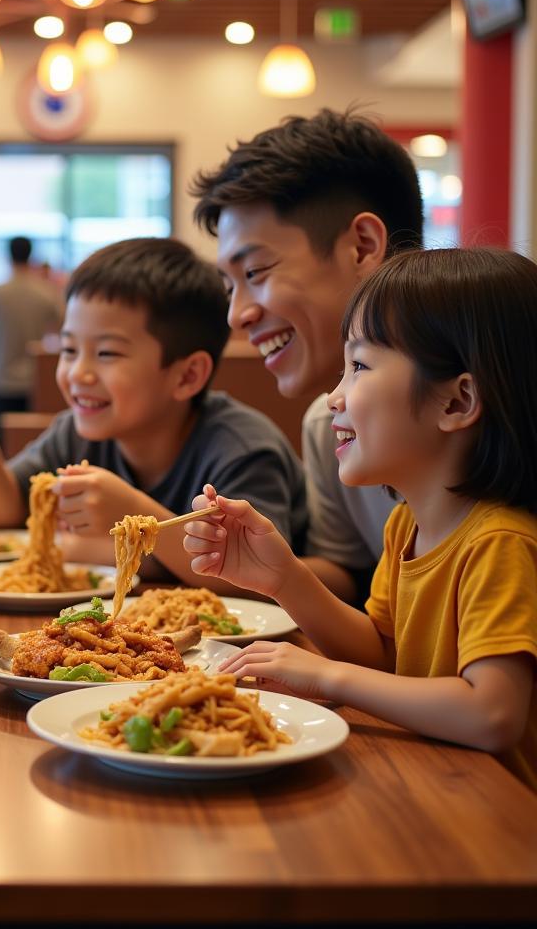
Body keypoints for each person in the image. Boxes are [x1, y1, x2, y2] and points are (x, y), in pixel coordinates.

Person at [184, 249, 537, 789]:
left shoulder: (500, 541)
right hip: (434, 785)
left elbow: (491, 714)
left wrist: (329, 676)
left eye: (361, 367)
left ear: (456, 401)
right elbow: (383, 653)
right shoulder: (405, 527)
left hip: (499, 824)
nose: (334, 397)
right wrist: (283, 578)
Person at [0, 237, 306, 583]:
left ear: (187, 376)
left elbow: (256, 573)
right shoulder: (75, 433)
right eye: (68, 349)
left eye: (107, 353)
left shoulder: (241, 448)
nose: (78, 373)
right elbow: (7, 514)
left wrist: (133, 514)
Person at [191, 108, 424, 604]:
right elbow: (352, 574)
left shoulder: (497, 409)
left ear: (362, 247)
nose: (237, 316)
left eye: (255, 272)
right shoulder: (329, 426)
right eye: (228, 286)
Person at [0, 235, 62, 436]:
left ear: (8, 256)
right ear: (31, 255)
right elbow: (61, 331)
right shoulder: (47, 292)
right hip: (35, 379)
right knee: (29, 438)